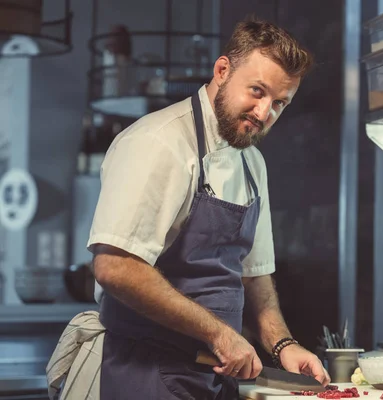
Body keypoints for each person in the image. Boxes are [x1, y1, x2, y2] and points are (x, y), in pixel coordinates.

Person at [50, 18, 330, 400]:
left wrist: (283, 346)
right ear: (222, 70)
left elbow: (254, 276)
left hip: (216, 378)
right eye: (257, 92)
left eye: (279, 103)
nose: (264, 114)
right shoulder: (158, 142)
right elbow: (115, 266)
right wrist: (219, 333)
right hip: (147, 374)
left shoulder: (252, 162)